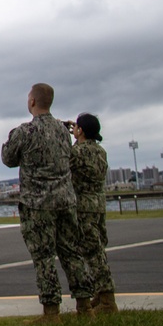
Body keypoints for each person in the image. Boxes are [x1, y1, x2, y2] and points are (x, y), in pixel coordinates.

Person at [1, 83, 94, 323]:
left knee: (43, 258)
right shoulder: (64, 131)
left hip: (38, 204)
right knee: (72, 253)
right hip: (65, 200)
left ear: (32, 102)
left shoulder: (24, 132)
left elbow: (8, 158)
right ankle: (85, 305)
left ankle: (51, 311)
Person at [69, 113, 118, 314]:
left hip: (84, 207)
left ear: (80, 130)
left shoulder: (78, 152)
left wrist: (69, 137)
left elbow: (66, 162)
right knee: (99, 250)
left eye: (77, 128)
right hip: (98, 205)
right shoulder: (100, 151)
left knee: (92, 254)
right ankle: (101, 293)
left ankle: (107, 300)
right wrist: (78, 130)